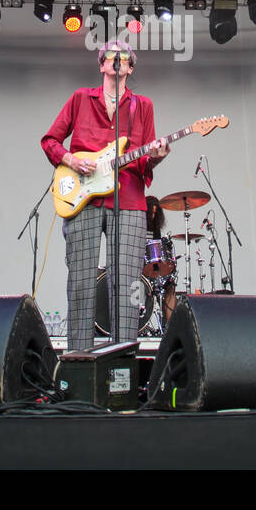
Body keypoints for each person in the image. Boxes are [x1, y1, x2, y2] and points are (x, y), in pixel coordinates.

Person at [41, 41, 168, 350]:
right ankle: (79, 362)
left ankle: (122, 365)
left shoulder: (143, 106)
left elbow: (144, 158)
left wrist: (157, 156)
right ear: (102, 65)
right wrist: (72, 160)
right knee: (82, 283)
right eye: (111, 56)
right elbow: (50, 140)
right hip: (83, 200)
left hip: (129, 201)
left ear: (130, 68)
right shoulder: (81, 98)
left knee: (126, 287)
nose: (117, 61)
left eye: (123, 58)